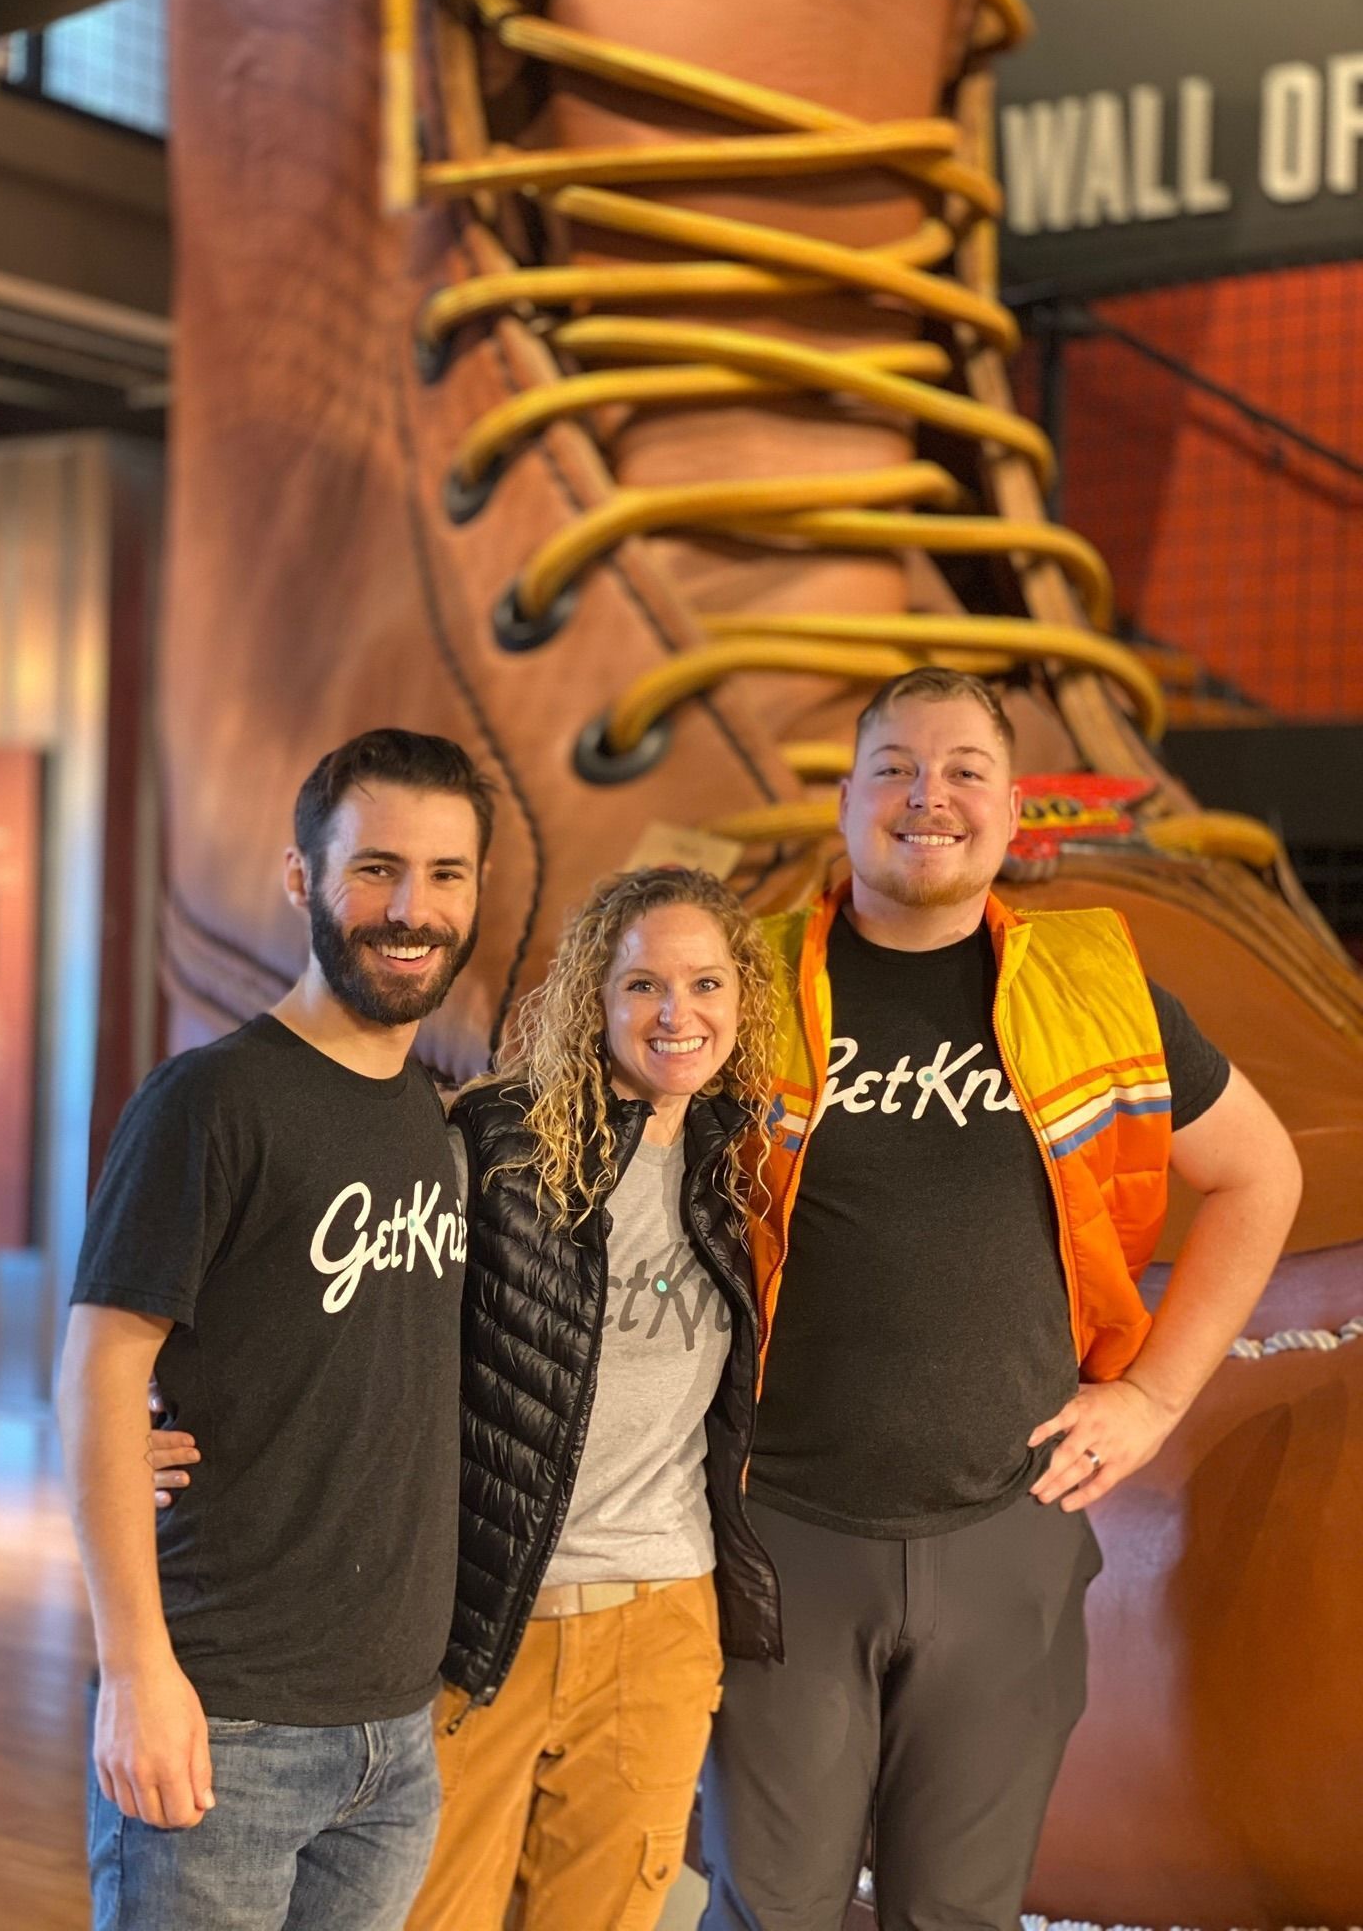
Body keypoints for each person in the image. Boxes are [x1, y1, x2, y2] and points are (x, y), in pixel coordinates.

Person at [698, 667, 1304, 1931]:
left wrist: (1151, 1394)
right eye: (897, 769)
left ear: (1015, 807)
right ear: (848, 802)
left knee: (961, 1916)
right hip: (779, 1533)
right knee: (771, 1912)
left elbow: (1259, 1171)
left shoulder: (1099, 985)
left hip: (1007, 1532)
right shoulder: (732, 987)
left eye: (965, 768)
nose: (931, 796)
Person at [153, 864, 787, 1930]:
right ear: (594, 993)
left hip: (660, 1628)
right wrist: (144, 1403)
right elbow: (318, 1299)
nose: (677, 1013)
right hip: (481, 1623)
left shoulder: (745, 1165)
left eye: (707, 984)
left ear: (742, 1000)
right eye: (642, 985)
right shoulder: (486, 1143)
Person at [57, 728, 495, 1931]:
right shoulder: (210, 1099)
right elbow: (100, 1371)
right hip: (224, 1713)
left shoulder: (430, 1116)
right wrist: (136, 1669)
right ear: (303, 878)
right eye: (376, 868)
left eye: (447, 874)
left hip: (392, 1733)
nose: (412, 908)